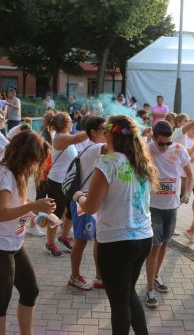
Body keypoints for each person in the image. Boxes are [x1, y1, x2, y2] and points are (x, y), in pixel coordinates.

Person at [73, 115, 156, 335]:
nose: (103, 135)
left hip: (117, 242)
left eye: (105, 131)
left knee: (119, 302)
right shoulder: (141, 162)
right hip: (143, 238)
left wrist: (78, 196)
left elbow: (90, 207)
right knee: (128, 293)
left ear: (111, 134)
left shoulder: (108, 162)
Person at [0, 130, 55, 335]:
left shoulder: (17, 173)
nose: (36, 166)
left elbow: (20, 205)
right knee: (0, 302)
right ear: (24, 155)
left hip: (13, 244)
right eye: (35, 160)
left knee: (30, 291)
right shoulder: (4, 176)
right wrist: (34, 206)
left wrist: (38, 216)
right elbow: (0, 214)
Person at [145, 121, 193, 308]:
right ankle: (149, 289)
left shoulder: (179, 149)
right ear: (154, 138)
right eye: (161, 143)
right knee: (154, 248)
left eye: (168, 143)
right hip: (153, 207)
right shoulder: (147, 149)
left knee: (165, 244)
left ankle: (156, 276)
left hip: (172, 207)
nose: (165, 147)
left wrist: (187, 193)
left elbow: (189, 175)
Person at [67, 117, 108, 290]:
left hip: (92, 201)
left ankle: (99, 276)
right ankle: (74, 276)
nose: (108, 133)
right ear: (94, 132)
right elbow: (116, 147)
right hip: (82, 203)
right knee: (81, 241)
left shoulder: (92, 147)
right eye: (105, 130)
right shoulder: (95, 147)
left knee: (98, 239)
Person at [44, 112, 89, 257]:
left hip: (68, 182)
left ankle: (64, 237)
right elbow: (77, 138)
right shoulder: (61, 137)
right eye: (70, 120)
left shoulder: (65, 137)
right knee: (56, 214)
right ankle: (50, 243)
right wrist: (91, 128)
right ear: (65, 123)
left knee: (70, 212)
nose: (72, 121)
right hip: (57, 182)